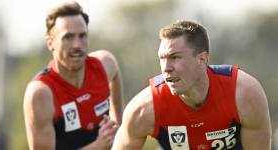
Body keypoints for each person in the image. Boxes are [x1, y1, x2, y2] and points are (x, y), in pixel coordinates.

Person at [112, 20, 271, 150]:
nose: (166, 68)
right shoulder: (143, 109)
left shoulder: (244, 94)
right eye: (162, 58)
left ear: (202, 60)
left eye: (174, 57)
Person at [23, 1, 123, 150]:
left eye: (82, 36)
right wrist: (98, 146)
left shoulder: (104, 65)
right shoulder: (41, 94)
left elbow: (114, 74)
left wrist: (118, 128)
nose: (77, 45)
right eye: (68, 37)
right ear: (50, 43)